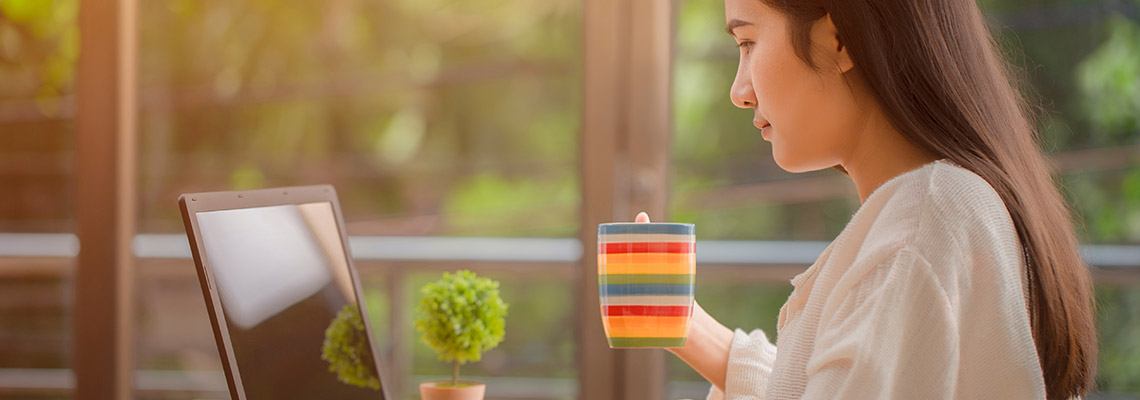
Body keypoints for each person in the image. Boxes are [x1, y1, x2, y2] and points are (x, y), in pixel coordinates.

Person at [642, 0, 1098, 399]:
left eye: (747, 43)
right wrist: (686, 326)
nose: (739, 92)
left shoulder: (919, 227)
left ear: (837, 39)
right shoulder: (947, 208)